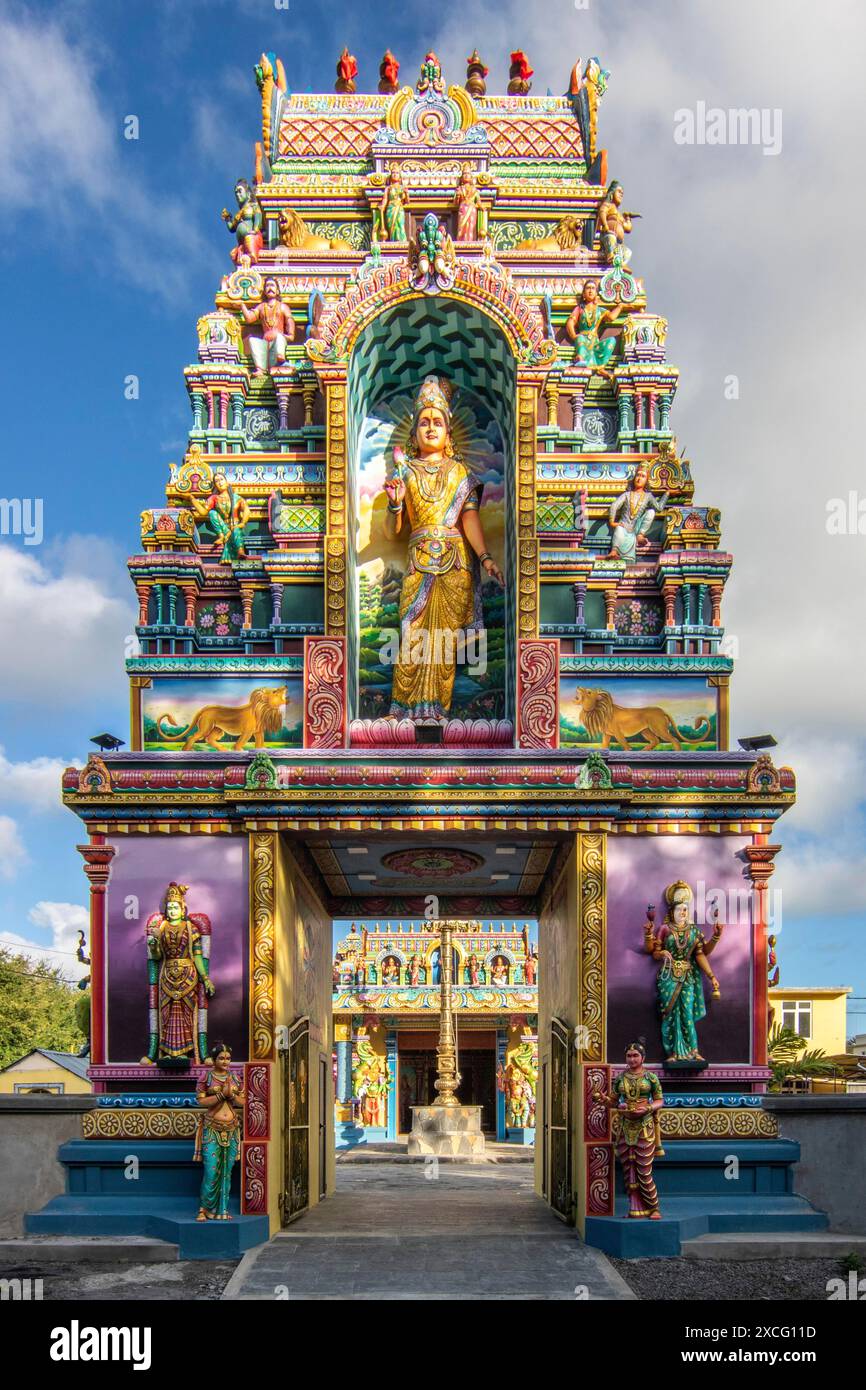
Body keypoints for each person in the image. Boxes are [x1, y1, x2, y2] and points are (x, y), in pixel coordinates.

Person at [383, 375, 503, 721]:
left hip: (454, 564)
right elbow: (395, 530)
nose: (431, 428)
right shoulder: (405, 472)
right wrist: (395, 504)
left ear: (449, 432)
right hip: (418, 561)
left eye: (438, 422)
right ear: (414, 431)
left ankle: (437, 710)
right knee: (412, 633)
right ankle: (401, 709)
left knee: (444, 643)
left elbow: (469, 520)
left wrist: (486, 558)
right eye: (424, 422)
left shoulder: (459, 473)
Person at [644, 881, 723, 1062]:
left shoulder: (694, 932)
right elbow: (653, 952)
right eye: (679, 910)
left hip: (687, 978)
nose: (683, 913)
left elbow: (702, 954)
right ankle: (672, 1052)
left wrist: (712, 976)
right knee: (670, 1014)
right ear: (672, 912)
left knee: (686, 1013)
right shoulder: (665, 929)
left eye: (685, 910)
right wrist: (661, 952)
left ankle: (692, 1051)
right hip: (668, 977)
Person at [142, 882, 213, 1064]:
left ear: (183, 909)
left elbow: (197, 956)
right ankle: (167, 1053)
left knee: (186, 1012)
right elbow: (157, 956)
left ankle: (186, 1051)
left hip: (188, 975)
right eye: (170, 907)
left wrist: (205, 979)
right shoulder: (161, 927)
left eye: (176, 907)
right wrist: (154, 944)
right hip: (166, 974)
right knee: (167, 1012)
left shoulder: (191, 928)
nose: (172, 910)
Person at [592, 1041, 664, 1219]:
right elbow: (615, 1101)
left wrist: (647, 1108)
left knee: (643, 1170)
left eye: (635, 1056)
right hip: (625, 1127)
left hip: (644, 1127)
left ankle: (654, 1207)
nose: (632, 1059)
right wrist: (604, 1099)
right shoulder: (621, 1078)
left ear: (643, 1058)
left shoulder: (651, 1078)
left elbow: (659, 1101)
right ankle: (635, 1208)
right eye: (629, 1056)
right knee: (628, 1169)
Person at [195, 1042, 245, 1220]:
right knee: (211, 1170)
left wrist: (232, 1095)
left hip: (231, 1129)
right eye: (221, 1058)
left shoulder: (235, 1078)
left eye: (228, 1058)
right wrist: (221, 1095)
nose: (225, 1061)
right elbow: (201, 1102)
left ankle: (222, 1209)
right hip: (212, 1128)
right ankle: (204, 1208)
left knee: (227, 1171)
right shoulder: (206, 1077)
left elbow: (243, 1102)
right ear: (214, 1060)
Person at [606, 463, 668, 562]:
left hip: (636, 527)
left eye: (643, 476)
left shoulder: (648, 496)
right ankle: (614, 551)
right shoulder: (627, 494)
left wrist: (667, 494)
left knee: (651, 512)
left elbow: (659, 508)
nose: (639, 478)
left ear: (646, 480)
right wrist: (612, 522)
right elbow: (614, 505)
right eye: (638, 475)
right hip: (624, 525)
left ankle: (640, 535)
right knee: (619, 528)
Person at [191, 470, 250, 564]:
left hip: (235, 526)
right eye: (217, 481)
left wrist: (242, 523)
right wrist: (192, 499)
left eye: (221, 479)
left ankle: (240, 551)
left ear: (227, 482)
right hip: (223, 527)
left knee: (236, 530)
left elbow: (246, 509)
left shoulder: (236, 498)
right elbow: (203, 512)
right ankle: (222, 536)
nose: (220, 482)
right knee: (212, 513)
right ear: (215, 485)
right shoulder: (214, 498)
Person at [240, 277, 295, 376]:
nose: (270, 288)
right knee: (253, 340)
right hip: (265, 341)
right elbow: (249, 318)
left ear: (277, 291)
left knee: (279, 337)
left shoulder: (283, 306)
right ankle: (260, 369)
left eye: (272, 285)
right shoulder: (261, 307)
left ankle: (280, 359)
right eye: (267, 286)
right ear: (264, 291)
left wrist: (291, 334)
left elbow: (289, 320)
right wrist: (242, 306)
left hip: (278, 339)